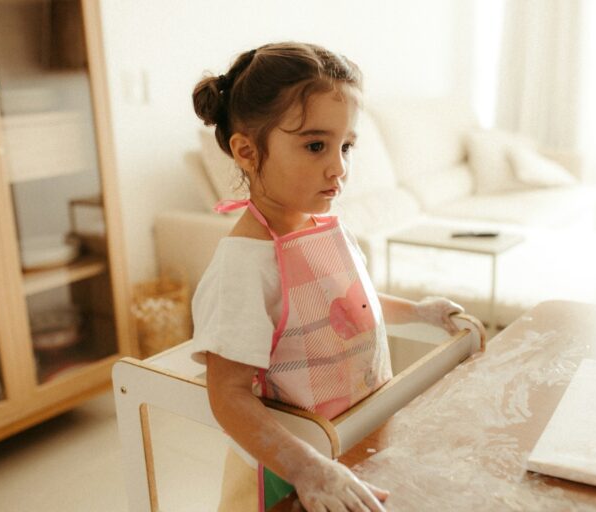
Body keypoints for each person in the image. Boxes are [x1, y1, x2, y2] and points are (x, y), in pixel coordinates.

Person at [190, 42, 464, 512]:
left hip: (353, 438)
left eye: (346, 146)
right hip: (291, 474)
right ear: (247, 151)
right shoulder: (245, 265)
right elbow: (228, 396)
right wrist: (307, 470)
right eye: (316, 145)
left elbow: (343, 304)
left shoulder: (322, 227)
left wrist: (419, 313)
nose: (338, 167)